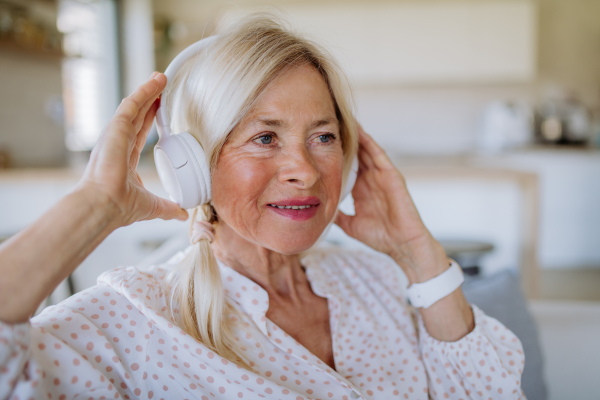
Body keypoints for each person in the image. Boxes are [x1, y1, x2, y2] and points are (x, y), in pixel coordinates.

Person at [0, 14, 525, 400]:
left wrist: (417, 252)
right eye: (265, 137)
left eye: (323, 136)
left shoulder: (381, 282)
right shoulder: (136, 319)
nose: (305, 169)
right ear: (194, 163)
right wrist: (95, 205)